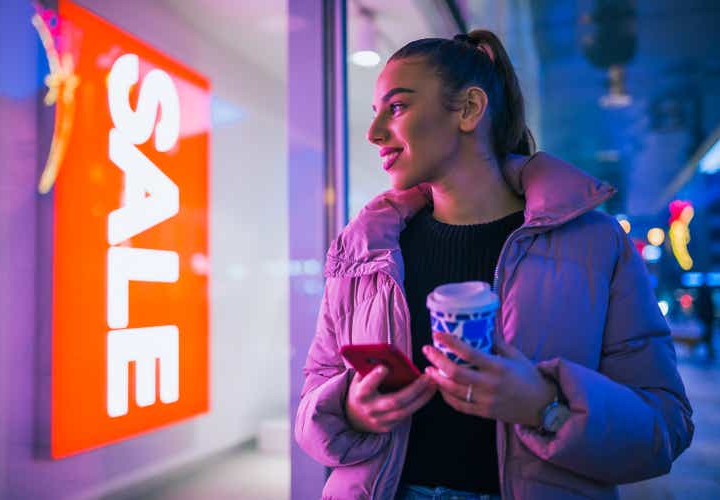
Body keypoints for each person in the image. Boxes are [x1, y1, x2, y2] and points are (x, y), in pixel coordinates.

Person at [295, 30, 694, 500]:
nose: (374, 132)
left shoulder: (596, 245)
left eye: (396, 107)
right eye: (376, 112)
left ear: (468, 109)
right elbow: (312, 401)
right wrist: (351, 410)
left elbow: (663, 429)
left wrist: (545, 407)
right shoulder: (365, 248)